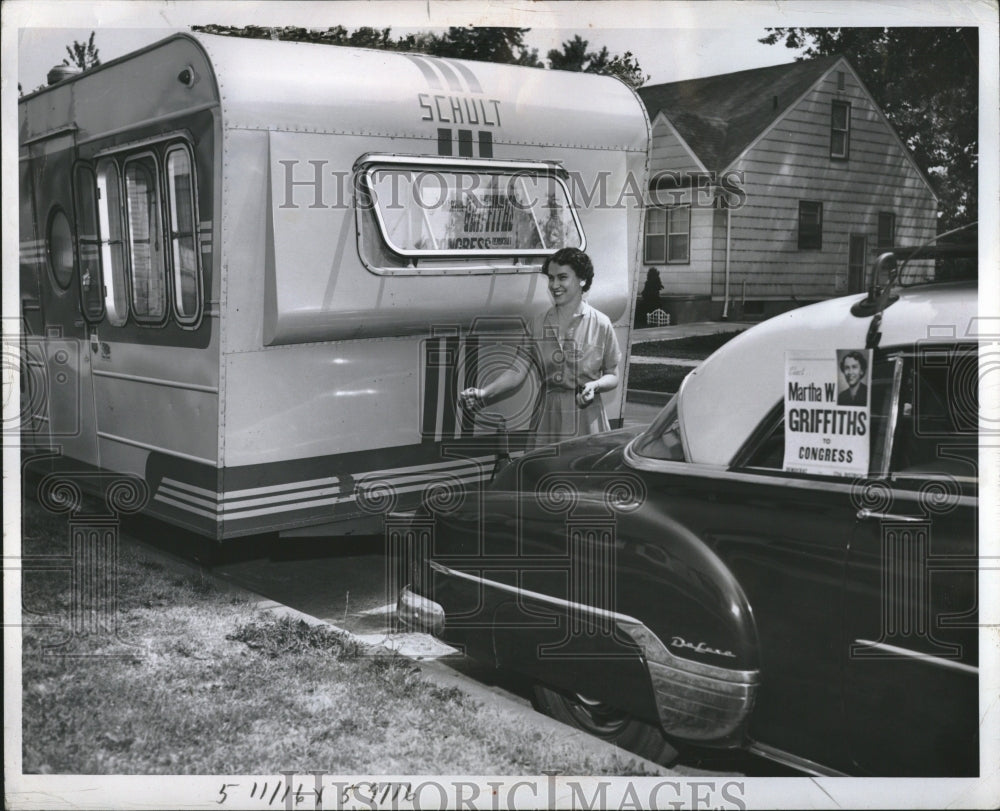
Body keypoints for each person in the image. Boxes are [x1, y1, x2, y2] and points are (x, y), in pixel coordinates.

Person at [459, 247, 622, 447]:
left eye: (562, 278)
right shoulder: (537, 324)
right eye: (551, 278)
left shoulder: (601, 323)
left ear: (582, 280)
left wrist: (594, 385)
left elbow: (613, 374)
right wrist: (485, 393)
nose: (554, 285)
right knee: (545, 473)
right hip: (548, 417)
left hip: (588, 416)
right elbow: (516, 372)